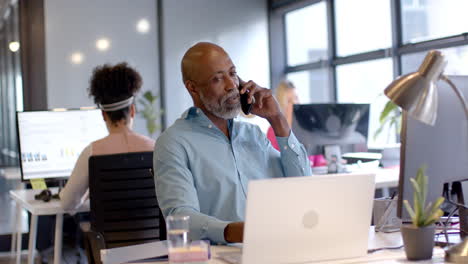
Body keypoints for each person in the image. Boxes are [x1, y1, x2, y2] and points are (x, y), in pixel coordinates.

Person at [154, 42, 311, 244]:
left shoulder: (254, 135)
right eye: (217, 79)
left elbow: (304, 186)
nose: (231, 85)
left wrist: (277, 119)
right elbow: (181, 218)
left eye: (233, 73)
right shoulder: (173, 142)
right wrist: (240, 231)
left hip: (275, 248)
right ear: (193, 88)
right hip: (221, 255)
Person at [60, 62, 155, 213]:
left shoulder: (91, 152)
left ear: (103, 115)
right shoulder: (156, 148)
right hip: (155, 236)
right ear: (132, 110)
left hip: (107, 237)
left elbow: (67, 204)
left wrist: (86, 194)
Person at [266, 80, 299, 150]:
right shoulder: (273, 131)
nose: (295, 103)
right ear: (281, 103)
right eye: (289, 100)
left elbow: (319, 157)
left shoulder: (305, 126)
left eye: (296, 98)